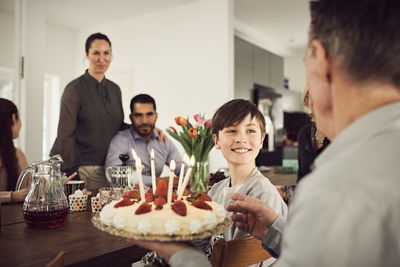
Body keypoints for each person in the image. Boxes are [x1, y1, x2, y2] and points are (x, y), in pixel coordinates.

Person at [133, 0, 400, 266]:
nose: (241, 138)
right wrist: (274, 229)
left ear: (320, 61)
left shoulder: (336, 193)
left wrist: (179, 254)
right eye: (232, 130)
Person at [204, 99, 287, 266]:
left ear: (262, 139)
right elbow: (202, 244)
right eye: (232, 130)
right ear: (216, 140)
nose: (241, 139)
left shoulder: (262, 193)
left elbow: (243, 261)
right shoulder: (215, 191)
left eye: (250, 130)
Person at [105, 94, 183, 187]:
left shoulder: (163, 141)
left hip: (157, 198)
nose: (144, 121)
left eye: (149, 114)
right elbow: (113, 178)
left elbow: (182, 168)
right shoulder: (121, 140)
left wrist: (193, 177)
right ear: (131, 117)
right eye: (138, 115)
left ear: (156, 116)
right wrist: (156, 181)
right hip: (129, 198)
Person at [296, 88, 330, 182]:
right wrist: (285, 192)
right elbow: (301, 180)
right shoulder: (304, 134)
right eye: (310, 96)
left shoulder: (340, 133)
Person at [0, 98, 30, 203]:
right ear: (13, 118)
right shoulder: (18, 154)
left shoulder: (17, 153)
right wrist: (12, 196)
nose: (21, 124)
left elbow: (29, 188)